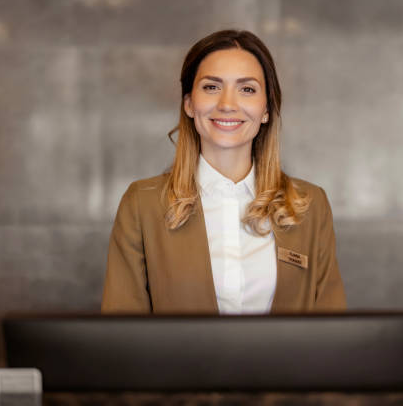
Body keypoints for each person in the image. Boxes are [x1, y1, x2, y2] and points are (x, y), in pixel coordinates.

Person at [102, 29, 346, 314]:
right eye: (211, 87)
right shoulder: (141, 204)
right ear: (189, 103)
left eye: (247, 89)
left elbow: (331, 334)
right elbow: (123, 338)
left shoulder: (311, 205)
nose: (227, 104)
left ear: (266, 109)